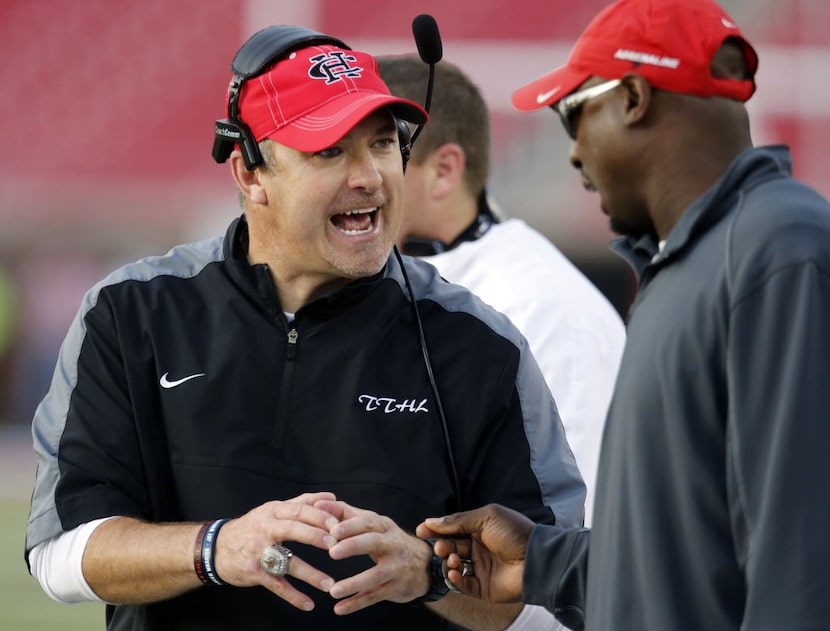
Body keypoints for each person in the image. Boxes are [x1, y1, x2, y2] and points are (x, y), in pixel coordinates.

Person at [24, 25, 586, 631]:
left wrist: (427, 576)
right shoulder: (131, 313)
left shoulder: (482, 346)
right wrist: (216, 548)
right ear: (250, 174)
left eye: (381, 144)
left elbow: (547, 595)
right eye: (330, 151)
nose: (369, 176)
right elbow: (60, 553)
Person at [417, 0, 830, 629]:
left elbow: (799, 549)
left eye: (571, 114)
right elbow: (690, 548)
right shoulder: (691, 263)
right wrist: (544, 563)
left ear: (633, 98)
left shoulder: (779, 249)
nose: (574, 155)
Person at [377, 56, 626, 527]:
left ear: (444, 170)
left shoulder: (546, 308)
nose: (356, 177)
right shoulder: (362, 284)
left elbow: (567, 544)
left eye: (381, 149)